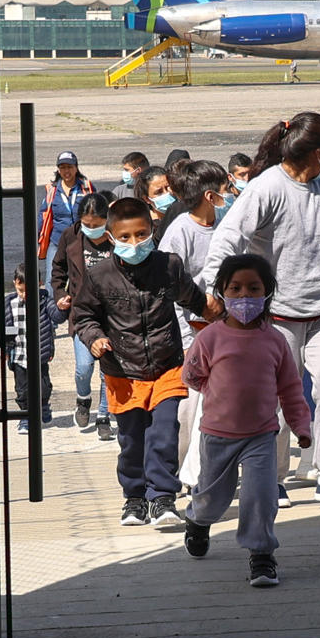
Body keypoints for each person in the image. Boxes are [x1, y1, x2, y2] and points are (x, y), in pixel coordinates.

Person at [200, 112, 320, 506]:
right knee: (272, 397)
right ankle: (272, 479)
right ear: (319, 153)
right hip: (275, 316)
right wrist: (212, 289)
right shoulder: (267, 187)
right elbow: (229, 237)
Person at [71, 196, 218, 528]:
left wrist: (221, 313)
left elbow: (195, 301)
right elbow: (83, 316)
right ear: (110, 237)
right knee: (132, 438)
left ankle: (163, 497)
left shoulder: (169, 266)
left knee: (165, 433)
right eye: (124, 237)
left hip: (167, 366)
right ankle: (134, 498)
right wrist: (95, 338)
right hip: (122, 370)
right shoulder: (100, 275)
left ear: (152, 230)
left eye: (140, 235)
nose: (134, 243)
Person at [182, 253, 313, 588]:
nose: (244, 296)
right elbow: (192, 375)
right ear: (222, 292)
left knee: (260, 497)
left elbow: (291, 388)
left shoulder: (276, 341)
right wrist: (216, 392)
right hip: (217, 435)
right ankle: (198, 521)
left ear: (267, 293)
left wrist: (300, 426)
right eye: (235, 288)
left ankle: (262, 555)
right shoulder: (209, 338)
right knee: (213, 498)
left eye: (253, 288)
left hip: (261, 436)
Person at [161, 160, 232, 495]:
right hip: (193, 334)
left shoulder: (230, 225)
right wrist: (187, 340)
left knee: (221, 408)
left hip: (228, 332)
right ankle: (178, 475)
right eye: (225, 190)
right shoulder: (179, 233)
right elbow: (168, 292)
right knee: (188, 411)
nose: (231, 195)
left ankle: (207, 473)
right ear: (209, 195)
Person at [50, 191, 116, 441]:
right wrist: (59, 294)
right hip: (82, 314)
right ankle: (83, 398)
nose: (92, 229)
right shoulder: (71, 236)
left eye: (97, 225)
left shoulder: (115, 237)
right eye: (87, 225)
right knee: (84, 368)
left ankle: (103, 417)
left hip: (112, 316)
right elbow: (57, 270)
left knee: (107, 372)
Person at [6, 264, 58, 434]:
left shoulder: (44, 300)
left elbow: (57, 316)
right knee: (22, 389)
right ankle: (25, 416)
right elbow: (4, 327)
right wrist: (5, 349)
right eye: (21, 290)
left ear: (40, 283)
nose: (24, 294)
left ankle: (43, 406)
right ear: (15, 283)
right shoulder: (9, 303)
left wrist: (63, 307)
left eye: (29, 290)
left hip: (39, 354)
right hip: (19, 355)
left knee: (44, 386)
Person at [37, 151, 94, 292]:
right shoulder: (52, 190)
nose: (66, 171)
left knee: (84, 278)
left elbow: (97, 210)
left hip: (82, 241)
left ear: (76, 167)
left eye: (69, 167)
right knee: (52, 279)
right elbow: (43, 215)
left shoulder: (86, 188)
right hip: (57, 241)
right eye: (62, 167)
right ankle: (54, 310)